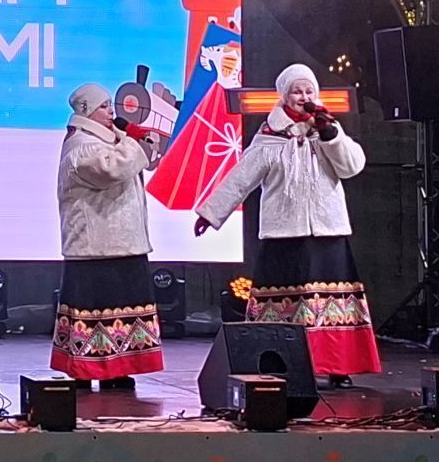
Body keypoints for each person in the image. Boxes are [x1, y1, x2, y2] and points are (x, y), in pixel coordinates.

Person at [193, 62, 380, 383]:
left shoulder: (328, 129)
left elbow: (352, 166)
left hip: (327, 232)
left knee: (330, 304)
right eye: (297, 91)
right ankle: (280, 363)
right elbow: (240, 179)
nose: (304, 97)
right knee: (285, 303)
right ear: (284, 96)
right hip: (284, 234)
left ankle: (336, 367)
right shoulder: (270, 136)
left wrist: (331, 135)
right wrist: (210, 213)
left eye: (309, 90)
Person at [50, 83, 165, 390]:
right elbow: (111, 170)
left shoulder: (110, 140)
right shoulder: (81, 145)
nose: (111, 112)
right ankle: (86, 369)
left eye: (110, 105)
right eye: (104, 106)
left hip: (122, 243)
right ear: (86, 110)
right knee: (95, 309)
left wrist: (131, 140)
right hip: (95, 246)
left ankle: (118, 368)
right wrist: (133, 142)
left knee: (121, 310)